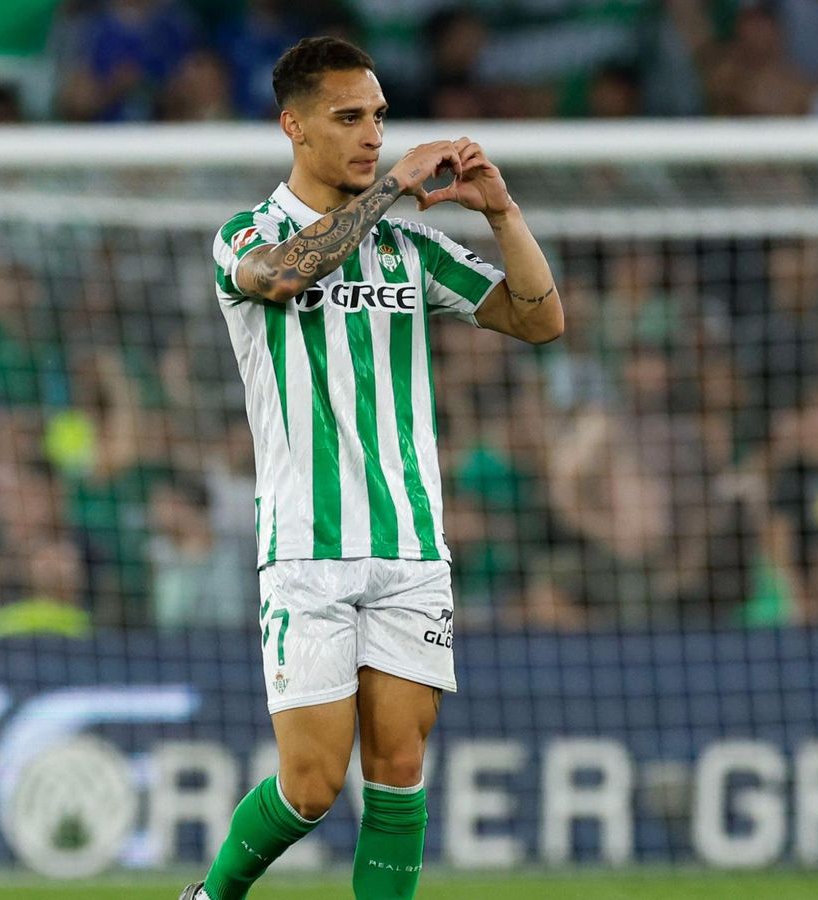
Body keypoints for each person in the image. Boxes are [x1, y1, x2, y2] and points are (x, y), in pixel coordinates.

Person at [184, 37, 564, 900]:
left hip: (410, 547)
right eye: (349, 118)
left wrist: (502, 214)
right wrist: (396, 186)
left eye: (380, 118)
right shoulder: (247, 234)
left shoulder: (410, 249)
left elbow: (540, 321)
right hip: (306, 548)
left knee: (398, 769)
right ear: (295, 126)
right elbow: (283, 277)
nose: (372, 136)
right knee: (312, 789)